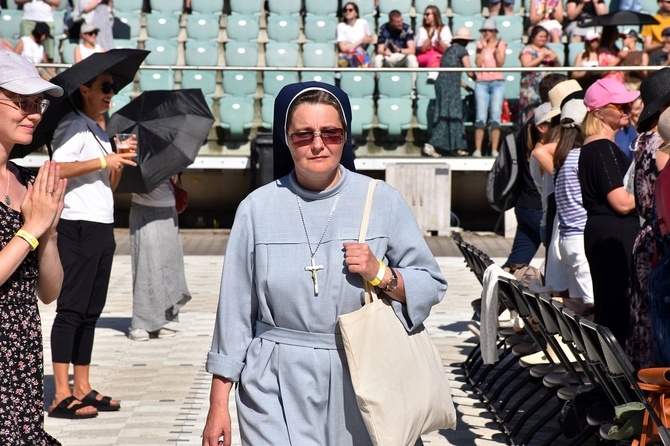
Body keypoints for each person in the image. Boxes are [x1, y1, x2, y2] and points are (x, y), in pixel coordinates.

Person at [201, 81, 448, 445]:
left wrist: (380, 274)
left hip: (362, 374)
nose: (318, 144)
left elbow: (431, 283)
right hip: (273, 379)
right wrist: (217, 403)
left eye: (330, 133)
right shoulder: (256, 209)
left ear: (345, 137)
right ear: (286, 139)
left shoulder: (381, 200)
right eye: (303, 135)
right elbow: (235, 313)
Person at [49, 70, 137, 417]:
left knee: (91, 311)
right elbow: (57, 167)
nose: (110, 94)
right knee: (71, 309)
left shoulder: (100, 129)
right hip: (78, 225)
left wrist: (118, 160)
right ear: (84, 89)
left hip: (101, 223)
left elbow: (107, 186)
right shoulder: (72, 123)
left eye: (112, 88)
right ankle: (59, 393)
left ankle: (82, 386)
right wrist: (105, 159)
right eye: (104, 87)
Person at [0, 48, 67, 442]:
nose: (34, 112)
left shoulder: (28, 180)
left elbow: (48, 291)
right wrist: (32, 229)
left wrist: (50, 233)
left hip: (21, 355)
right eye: (20, 102)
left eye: (36, 103)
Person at [578, 78, 640, 345]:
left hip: (608, 232)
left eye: (628, 104)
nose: (627, 109)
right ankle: (617, 380)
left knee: (612, 307)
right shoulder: (602, 148)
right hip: (614, 233)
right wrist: (653, 189)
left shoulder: (599, 147)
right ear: (598, 112)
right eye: (620, 104)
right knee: (616, 310)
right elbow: (622, 202)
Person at [626, 68, 670, 368]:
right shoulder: (662, 145)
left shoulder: (644, 138)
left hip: (646, 235)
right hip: (660, 240)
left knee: (645, 322)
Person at [503, 73, 568, 269]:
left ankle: (497, 293)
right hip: (540, 206)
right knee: (559, 264)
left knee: (517, 262)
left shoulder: (529, 123)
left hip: (525, 203)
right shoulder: (549, 125)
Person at [127, 178, 192, 341]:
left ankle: (160, 320)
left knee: (169, 264)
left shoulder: (167, 154)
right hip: (145, 207)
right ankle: (140, 323)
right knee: (146, 266)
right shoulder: (137, 154)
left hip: (168, 209)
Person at [553, 96, 594, 306]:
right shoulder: (581, 157)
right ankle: (531, 317)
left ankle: (537, 313)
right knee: (592, 306)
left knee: (577, 305)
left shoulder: (561, 158)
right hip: (581, 238)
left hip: (567, 239)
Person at [422, 28, 475, 158]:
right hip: (449, 86)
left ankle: (456, 146)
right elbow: (469, 71)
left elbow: (452, 74)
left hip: (443, 84)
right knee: (451, 114)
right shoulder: (462, 51)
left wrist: (467, 87)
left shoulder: (448, 51)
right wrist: (479, 78)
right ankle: (433, 145)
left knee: (446, 113)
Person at [474, 18, 506, 158]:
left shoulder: (501, 44)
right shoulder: (479, 45)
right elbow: (477, 62)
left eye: (488, 30)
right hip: (482, 82)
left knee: (495, 117)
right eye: (484, 30)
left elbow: (500, 63)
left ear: (494, 32)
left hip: (497, 82)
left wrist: (495, 49)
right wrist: (484, 48)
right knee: (480, 117)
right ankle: (478, 150)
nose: (485, 33)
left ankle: (494, 149)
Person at [520, 26, 561, 123]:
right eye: (540, 36)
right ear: (533, 37)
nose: (543, 39)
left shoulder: (548, 49)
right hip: (531, 88)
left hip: (547, 87)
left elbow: (559, 67)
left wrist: (555, 59)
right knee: (531, 114)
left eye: (545, 36)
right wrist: (541, 57)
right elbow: (526, 65)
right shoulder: (527, 49)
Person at [337, 2, 374, 68]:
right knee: (349, 56)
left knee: (360, 55)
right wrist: (360, 41)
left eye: (350, 10)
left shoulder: (363, 23)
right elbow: (343, 48)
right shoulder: (341, 26)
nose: (348, 12)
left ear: (356, 13)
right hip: (347, 54)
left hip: (360, 52)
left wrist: (350, 46)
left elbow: (370, 39)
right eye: (345, 10)